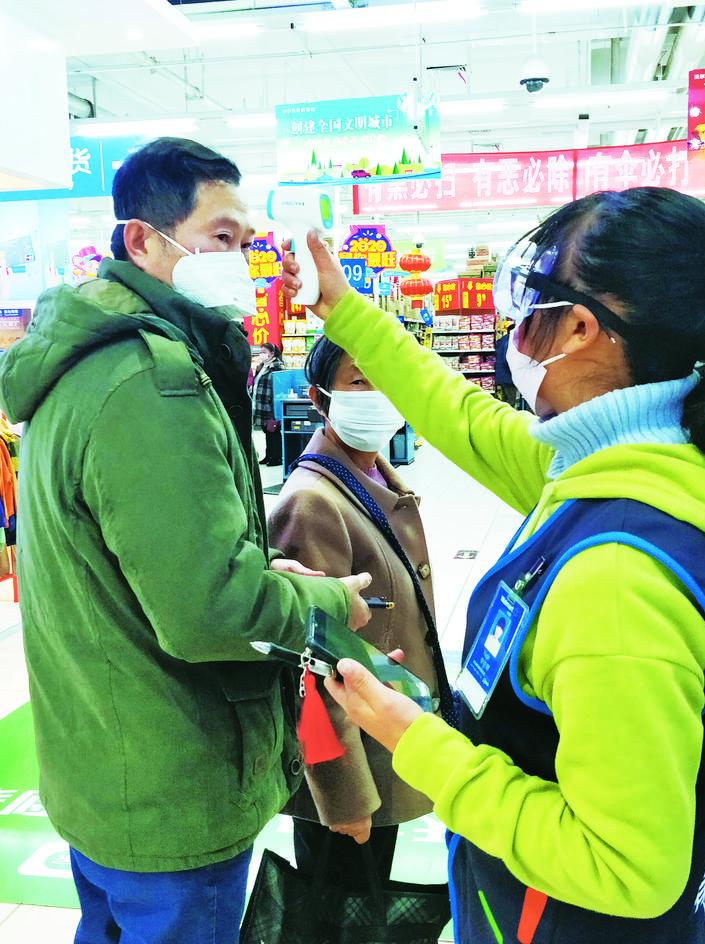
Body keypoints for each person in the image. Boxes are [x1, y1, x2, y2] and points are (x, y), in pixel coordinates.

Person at [280, 186, 705, 943]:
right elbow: (460, 413)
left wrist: (420, 743)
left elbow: (630, 868)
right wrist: (343, 309)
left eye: (530, 300)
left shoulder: (616, 580)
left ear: (581, 328)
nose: (515, 326)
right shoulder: (622, 465)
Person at [0, 136, 372, 944]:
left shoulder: (81, 362)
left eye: (246, 241)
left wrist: (247, 562)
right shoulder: (153, 382)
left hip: (105, 762)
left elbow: (136, 563)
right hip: (172, 782)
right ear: (142, 240)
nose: (240, 261)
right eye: (221, 237)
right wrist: (325, 600)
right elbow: (211, 611)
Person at [267, 334, 446, 887]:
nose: (378, 393)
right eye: (359, 380)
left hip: (384, 739)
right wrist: (344, 795)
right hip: (352, 771)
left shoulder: (373, 479)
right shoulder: (313, 502)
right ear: (319, 399)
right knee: (339, 908)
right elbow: (310, 668)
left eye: (386, 377)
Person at [251, 341, 285, 466]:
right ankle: (269, 455)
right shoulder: (261, 367)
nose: (261, 354)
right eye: (260, 352)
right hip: (261, 404)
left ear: (271, 354)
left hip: (271, 405)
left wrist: (275, 403)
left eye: (264, 352)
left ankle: (277, 457)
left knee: (273, 431)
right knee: (267, 431)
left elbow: (279, 386)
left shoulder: (277, 367)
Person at [494, 324, 519, 407]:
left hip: (502, 375)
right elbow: (507, 359)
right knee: (511, 401)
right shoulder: (510, 342)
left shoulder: (502, 340)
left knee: (505, 400)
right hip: (508, 376)